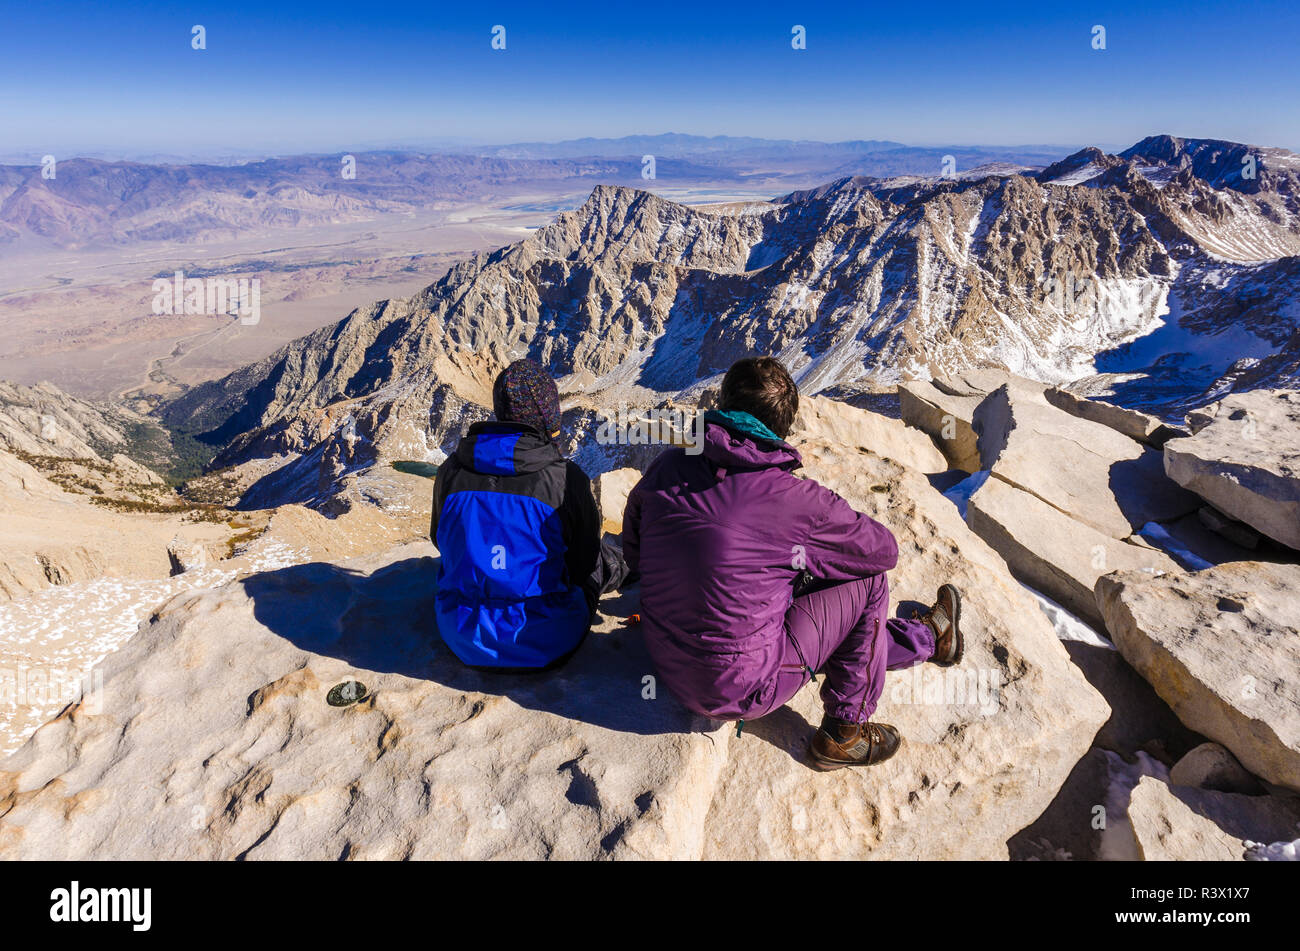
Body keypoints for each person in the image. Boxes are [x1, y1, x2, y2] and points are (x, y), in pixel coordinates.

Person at [622, 356, 965, 769]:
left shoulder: (668, 465)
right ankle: (845, 733)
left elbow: (636, 552)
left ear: (723, 403)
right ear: (784, 428)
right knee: (870, 584)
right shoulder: (797, 501)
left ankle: (926, 639)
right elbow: (882, 551)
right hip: (740, 690)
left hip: (660, 656)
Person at [431, 358, 628, 670]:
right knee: (602, 562)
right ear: (547, 416)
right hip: (547, 640)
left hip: (462, 635)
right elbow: (582, 565)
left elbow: (439, 541)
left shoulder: (450, 472)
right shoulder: (566, 479)